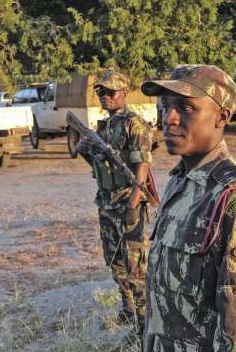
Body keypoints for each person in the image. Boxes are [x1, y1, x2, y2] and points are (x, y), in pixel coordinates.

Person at [140, 64, 236, 352]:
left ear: (222, 116)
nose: (169, 119)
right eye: (165, 107)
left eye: (186, 108)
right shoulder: (179, 179)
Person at [76, 69, 155, 335]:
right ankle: (128, 309)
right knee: (114, 260)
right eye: (101, 92)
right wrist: (81, 144)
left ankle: (144, 323)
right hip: (106, 202)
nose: (105, 97)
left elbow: (142, 164)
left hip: (126, 200)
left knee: (135, 264)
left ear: (123, 94)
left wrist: (134, 203)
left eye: (110, 92)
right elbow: (89, 158)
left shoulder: (135, 123)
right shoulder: (103, 126)